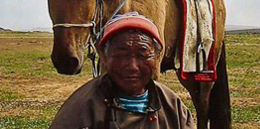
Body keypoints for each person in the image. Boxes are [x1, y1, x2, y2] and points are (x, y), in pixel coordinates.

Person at [49, 12, 195, 129]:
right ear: (105, 57)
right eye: (120, 55)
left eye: (142, 55)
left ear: (157, 57)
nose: (132, 66)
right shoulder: (80, 109)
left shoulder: (173, 106)